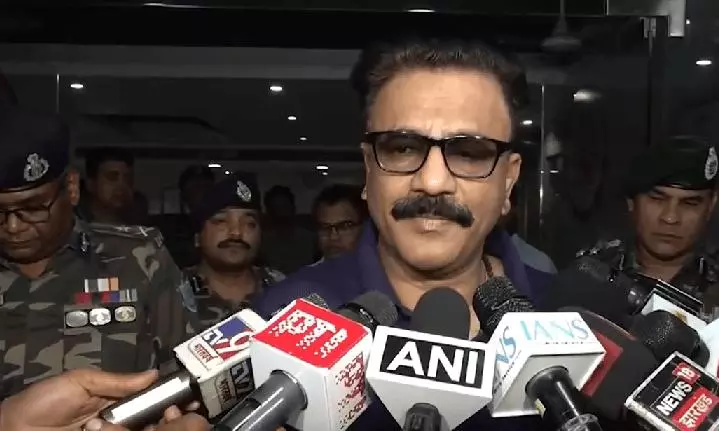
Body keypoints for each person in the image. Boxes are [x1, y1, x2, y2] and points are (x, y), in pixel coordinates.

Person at [254, 37, 550, 430]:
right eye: (403, 148)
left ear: (508, 181)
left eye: (468, 152)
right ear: (368, 170)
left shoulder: (565, 313)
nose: (432, 182)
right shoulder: (283, 319)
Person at [0, 107, 199, 398]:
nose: (13, 226)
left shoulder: (139, 259)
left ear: (71, 188)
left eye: (32, 208)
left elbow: (190, 370)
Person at [575, 136, 719, 314]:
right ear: (631, 202)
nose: (670, 218)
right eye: (657, 199)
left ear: (710, 206)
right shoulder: (590, 276)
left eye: (689, 203)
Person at [184, 173, 284, 329]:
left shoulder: (282, 288)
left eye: (249, 223)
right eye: (221, 222)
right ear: (197, 237)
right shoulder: (171, 292)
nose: (236, 233)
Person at [260, 186, 315, 274]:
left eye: (284, 207)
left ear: (293, 208)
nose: (281, 213)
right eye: (276, 208)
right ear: (269, 212)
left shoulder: (310, 239)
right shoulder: (262, 243)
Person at [311, 184, 367, 263]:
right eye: (324, 227)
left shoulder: (380, 270)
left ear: (365, 227)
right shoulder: (307, 271)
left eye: (345, 227)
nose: (333, 237)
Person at [81, 148, 136, 224]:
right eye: (112, 177)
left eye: (127, 178)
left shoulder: (139, 228)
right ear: (91, 184)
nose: (122, 184)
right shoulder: (71, 227)